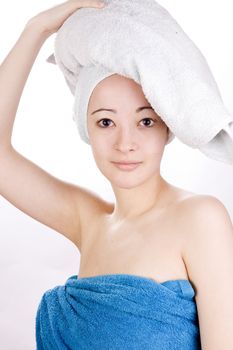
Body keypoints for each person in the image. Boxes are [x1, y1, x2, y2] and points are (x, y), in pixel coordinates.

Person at [0, 1, 232, 349]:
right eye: (106, 121)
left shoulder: (201, 218)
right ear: (85, 127)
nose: (126, 143)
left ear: (166, 126)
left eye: (145, 121)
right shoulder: (88, 221)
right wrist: (36, 29)